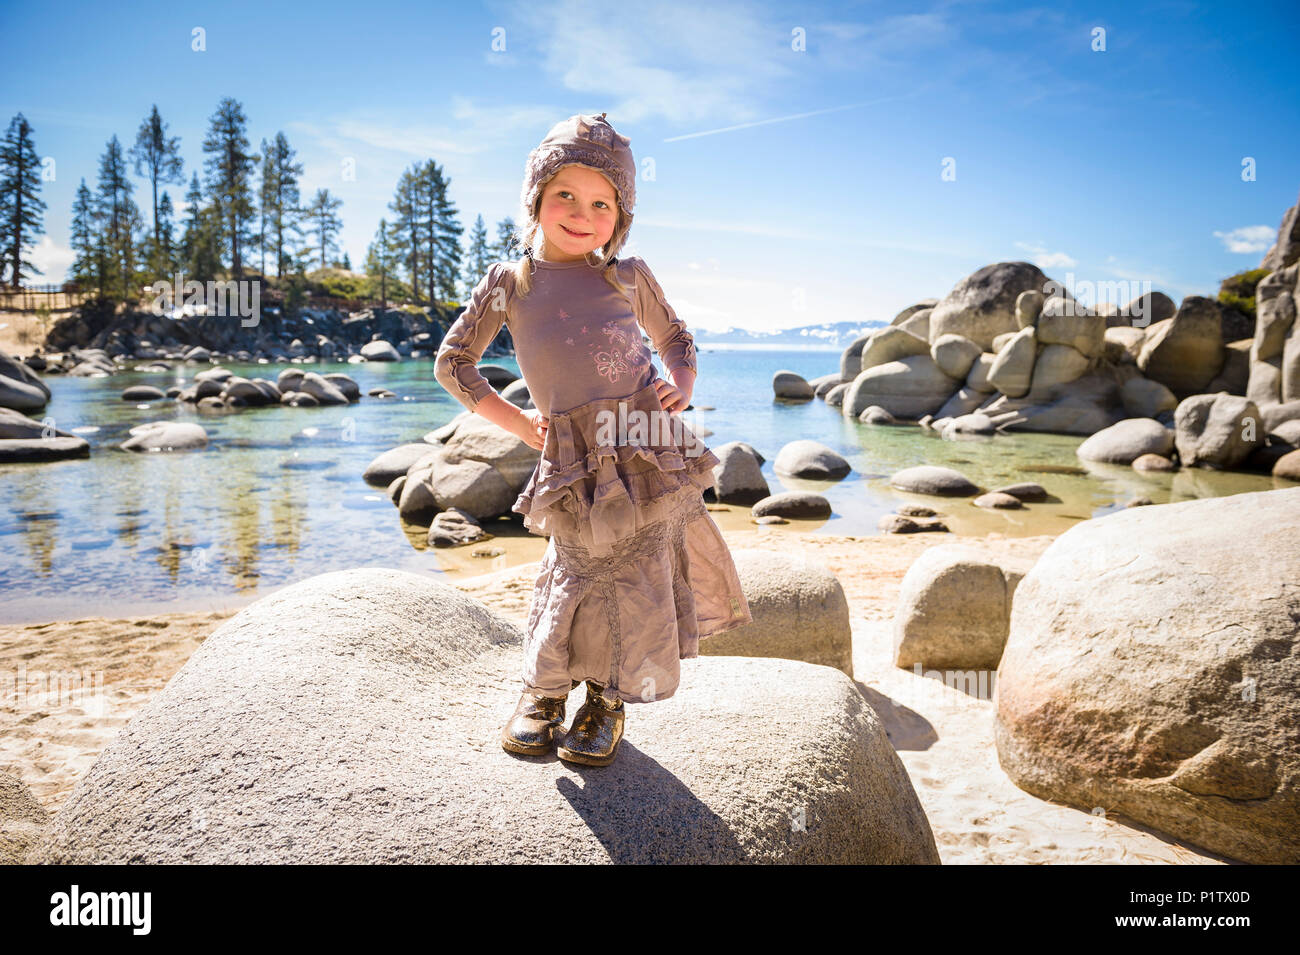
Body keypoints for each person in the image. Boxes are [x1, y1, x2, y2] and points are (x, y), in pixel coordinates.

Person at [434, 112, 752, 767]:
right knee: (574, 566)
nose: (583, 213)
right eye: (566, 196)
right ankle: (544, 692)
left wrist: (682, 383)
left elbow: (676, 336)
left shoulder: (626, 275)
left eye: (602, 202)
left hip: (646, 442)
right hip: (574, 454)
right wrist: (521, 425)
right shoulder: (512, 283)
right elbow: (453, 363)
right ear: (536, 200)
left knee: (639, 575)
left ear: (622, 215)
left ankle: (607, 701)